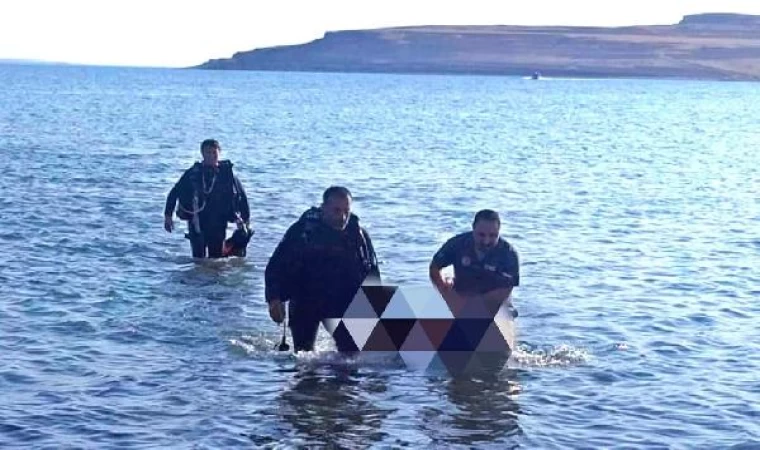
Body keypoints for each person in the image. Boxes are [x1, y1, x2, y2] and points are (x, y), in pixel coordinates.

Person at [264, 186, 381, 353]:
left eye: (346, 211)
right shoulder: (303, 231)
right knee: (304, 359)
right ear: (323, 208)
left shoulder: (358, 235)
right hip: (305, 299)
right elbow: (276, 265)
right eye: (336, 210)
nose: (342, 217)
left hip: (341, 301)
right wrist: (273, 299)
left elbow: (372, 274)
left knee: (351, 358)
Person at [163, 139, 251, 258]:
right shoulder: (193, 173)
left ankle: (214, 275)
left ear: (219, 153)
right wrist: (168, 216)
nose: (211, 156)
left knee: (216, 260)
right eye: (208, 153)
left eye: (214, 153)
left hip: (218, 222)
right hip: (197, 222)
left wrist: (246, 221)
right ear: (202, 154)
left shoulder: (226, 174)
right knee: (198, 259)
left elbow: (242, 197)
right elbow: (174, 193)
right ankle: (199, 276)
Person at [429, 209, 520, 309]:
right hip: (461, 293)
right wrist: (444, 291)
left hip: (494, 300)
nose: (486, 241)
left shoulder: (509, 254)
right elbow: (434, 266)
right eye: (481, 235)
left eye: (493, 235)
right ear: (473, 228)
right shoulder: (458, 244)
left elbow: (506, 289)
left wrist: (473, 305)